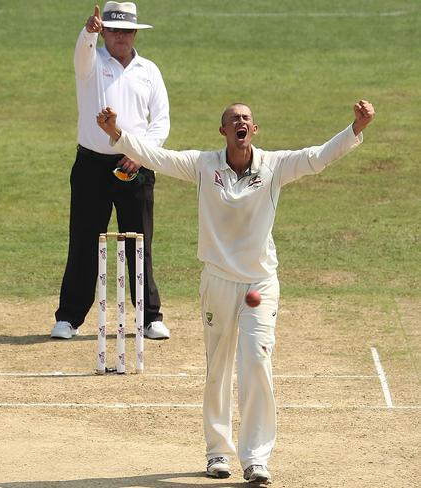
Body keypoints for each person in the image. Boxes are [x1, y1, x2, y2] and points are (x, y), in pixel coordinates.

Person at [96, 100, 375, 484]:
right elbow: (156, 156)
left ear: (254, 130)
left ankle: (257, 458)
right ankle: (217, 453)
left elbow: (317, 157)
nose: (240, 123)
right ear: (223, 131)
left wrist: (355, 128)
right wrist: (117, 134)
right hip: (218, 282)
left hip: (259, 284)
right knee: (219, 368)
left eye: (246, 119)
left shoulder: (274, 166)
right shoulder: (202, 164)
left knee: (257, 362)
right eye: (233, 120)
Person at [52, 1, 171, 340]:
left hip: (135, 166)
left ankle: (149, 317)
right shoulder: (91, 63)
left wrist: (142, 154)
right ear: (105, 31)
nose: (120, 36)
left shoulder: (149, 70)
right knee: (85, 240)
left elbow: (160, 122)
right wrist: (87, 33)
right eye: (114, 30)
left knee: (139, 240)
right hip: (92, 164)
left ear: (134, 34)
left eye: (126, 31)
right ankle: (70, 317)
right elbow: (81, 55)